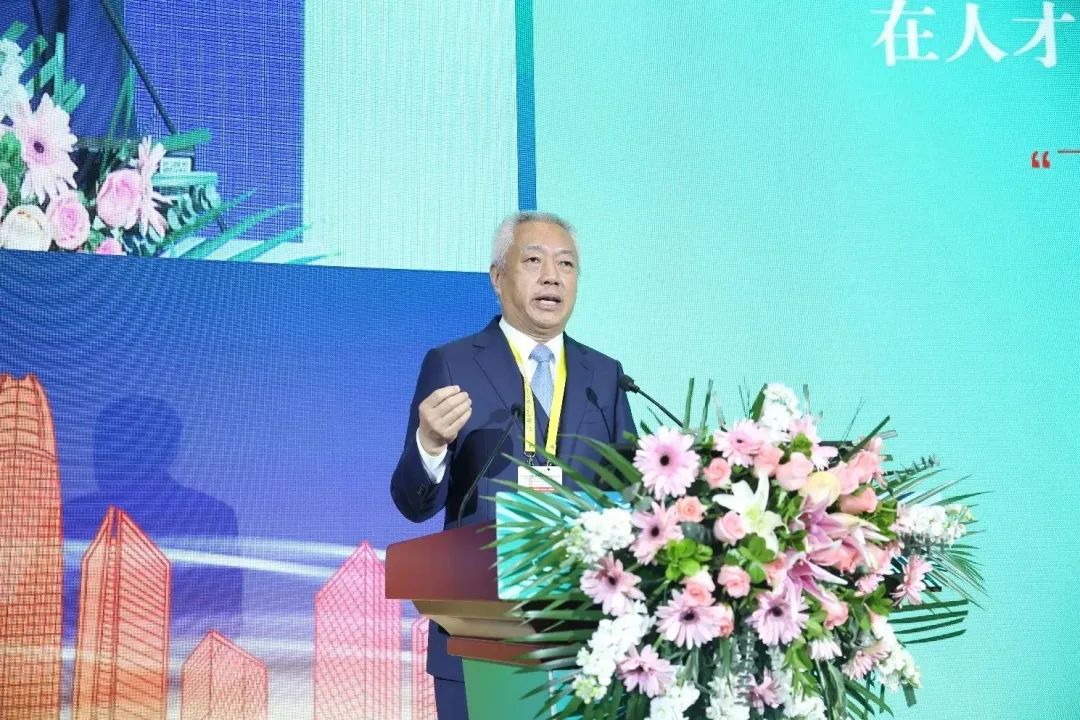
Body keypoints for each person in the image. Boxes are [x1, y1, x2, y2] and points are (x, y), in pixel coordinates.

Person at [390, 211, 635, 720]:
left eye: (566, 264)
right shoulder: (453, 362)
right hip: (478, 635)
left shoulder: (605, 376)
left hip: (586, 648)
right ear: (498, 277)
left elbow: (632, 494)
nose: (552, 277)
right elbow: (413, 503)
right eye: (534, 261)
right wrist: (429, 443)